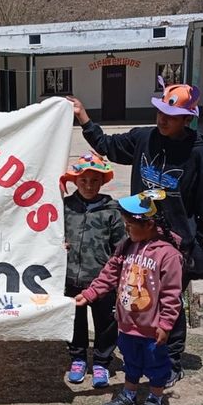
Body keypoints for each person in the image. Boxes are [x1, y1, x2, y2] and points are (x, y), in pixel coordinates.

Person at [67, 80, 203, 387]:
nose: (162, 119)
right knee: (138, 299)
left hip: (176, 245)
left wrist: (195, 242)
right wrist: (82, 116)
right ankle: (140, 358)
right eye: (160, 111)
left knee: (168, 305)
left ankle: (170, 363)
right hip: (140, 236)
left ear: (187, 119)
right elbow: (107, 146)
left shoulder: (197, 153)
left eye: (171, 115)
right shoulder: (143, 138)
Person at [75, 189, 182, 405]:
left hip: (152, 328)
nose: (126, 230)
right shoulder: (126, 247)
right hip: (127, 324)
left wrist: (165, 325)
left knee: (156, 365)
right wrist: (90, 294)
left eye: (130, 225)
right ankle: (129, 396)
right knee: (131, 361)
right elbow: (110, 274)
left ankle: (156, 399)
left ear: (149, 224)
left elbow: (172, 294)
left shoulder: (168, 255)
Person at [60, 153, 126, 388]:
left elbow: (121, 247)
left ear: (103, 182)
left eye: (94, 181)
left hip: (102, 280)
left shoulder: (112, 210)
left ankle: (101, 362)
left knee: (106, 322)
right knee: (73, 321)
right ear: (75, 181)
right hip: (69, 278)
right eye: (83, 181)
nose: (88, 186)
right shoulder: (64, 208)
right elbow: (50, 235)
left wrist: (116, 278)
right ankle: (77, 359)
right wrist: (58, 243)